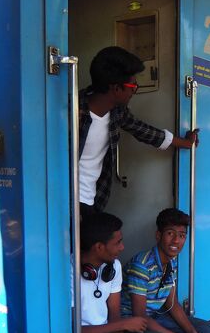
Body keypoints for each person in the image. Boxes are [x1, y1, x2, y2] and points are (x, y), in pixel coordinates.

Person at [78, 46, 198, 218]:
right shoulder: (71, 112)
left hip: (91, 199)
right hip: (64, 199)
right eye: (132, 86)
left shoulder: (116, 112)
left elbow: (144, 131)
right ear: (116, 89)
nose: (134, 90)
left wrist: (186, 143)